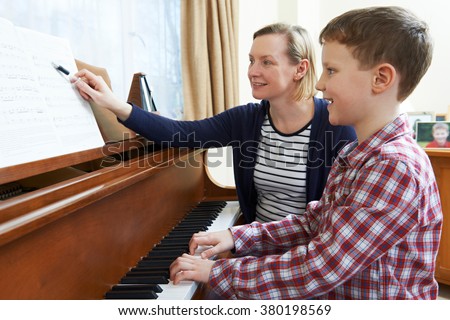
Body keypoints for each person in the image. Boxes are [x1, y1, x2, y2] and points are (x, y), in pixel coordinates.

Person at [168, 6, 443, 299]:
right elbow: (314, 223)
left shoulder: (394, 165)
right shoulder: (356, 153)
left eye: (332, 70)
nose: (320, 83)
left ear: (381, 78)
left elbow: (322, 266)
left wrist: (217, 272)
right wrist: (236, 236)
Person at [72, 23, 356, 224]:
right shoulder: (246, 119)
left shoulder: (336, 125)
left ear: (300, 69)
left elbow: (336, 221)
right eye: (251, 60)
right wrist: (112, 103)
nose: (252, 71)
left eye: (266, 62)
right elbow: (181, 134)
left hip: (305, 257)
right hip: (255, 245)